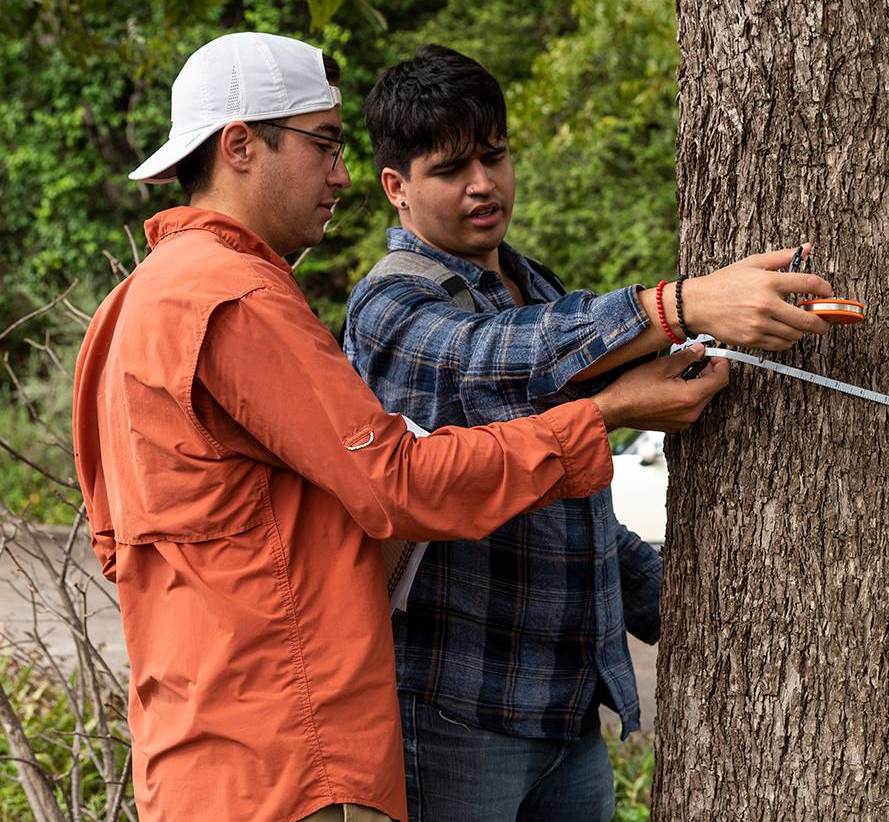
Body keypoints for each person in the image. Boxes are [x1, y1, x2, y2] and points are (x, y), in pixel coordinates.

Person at [70, 33, 730, 822]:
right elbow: (399, 481)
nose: (339, 174)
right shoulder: (235, 298)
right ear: (240, 145)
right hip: (291, 751)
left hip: (217, 741)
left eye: (495, 156)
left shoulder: (138, 301)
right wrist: (623, 386)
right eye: (324, 145)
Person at [343, 44, 834, 822]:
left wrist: (718, 612)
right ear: (395, 188)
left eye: (495, 156)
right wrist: (682, 305)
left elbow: (577, 519)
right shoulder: (391, 306)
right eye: (449, 170)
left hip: (567, 716)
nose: (482, 184)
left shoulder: (531, 283)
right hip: (453, 711)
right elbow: (496, 356)